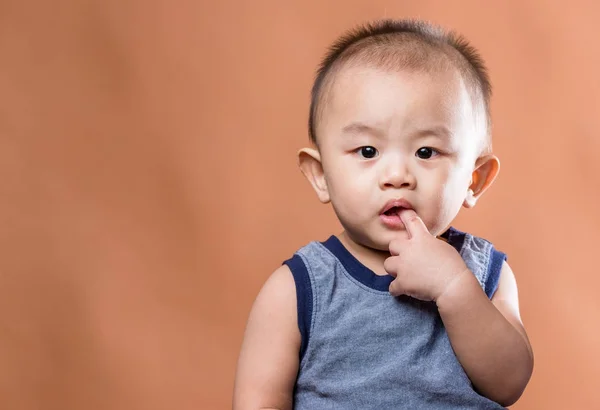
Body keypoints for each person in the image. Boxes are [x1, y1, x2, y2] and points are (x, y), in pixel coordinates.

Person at [233, 18, 533, 409]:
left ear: (474, 180)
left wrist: (454, 287)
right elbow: (258, 399)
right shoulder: (299, 288)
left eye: (426, 152)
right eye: (368, 152)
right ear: (321, 175)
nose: (396, 176)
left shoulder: (484, 272)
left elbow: (509, 383)